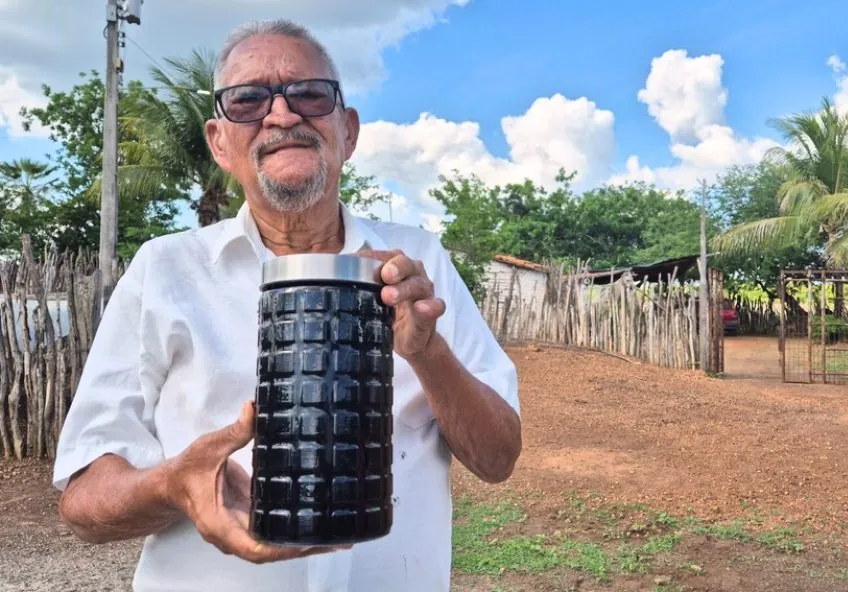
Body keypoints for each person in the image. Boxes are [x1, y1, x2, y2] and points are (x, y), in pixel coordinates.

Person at [51, 18, 522, 592]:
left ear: (348, 131)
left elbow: (498, 458)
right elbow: (83, 500)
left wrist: (430, 353)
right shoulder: (165, 268)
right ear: (219, 142)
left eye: (310, 94)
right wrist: (172, 485)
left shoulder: (421, 262)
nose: (281, 114)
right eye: (247, 100)